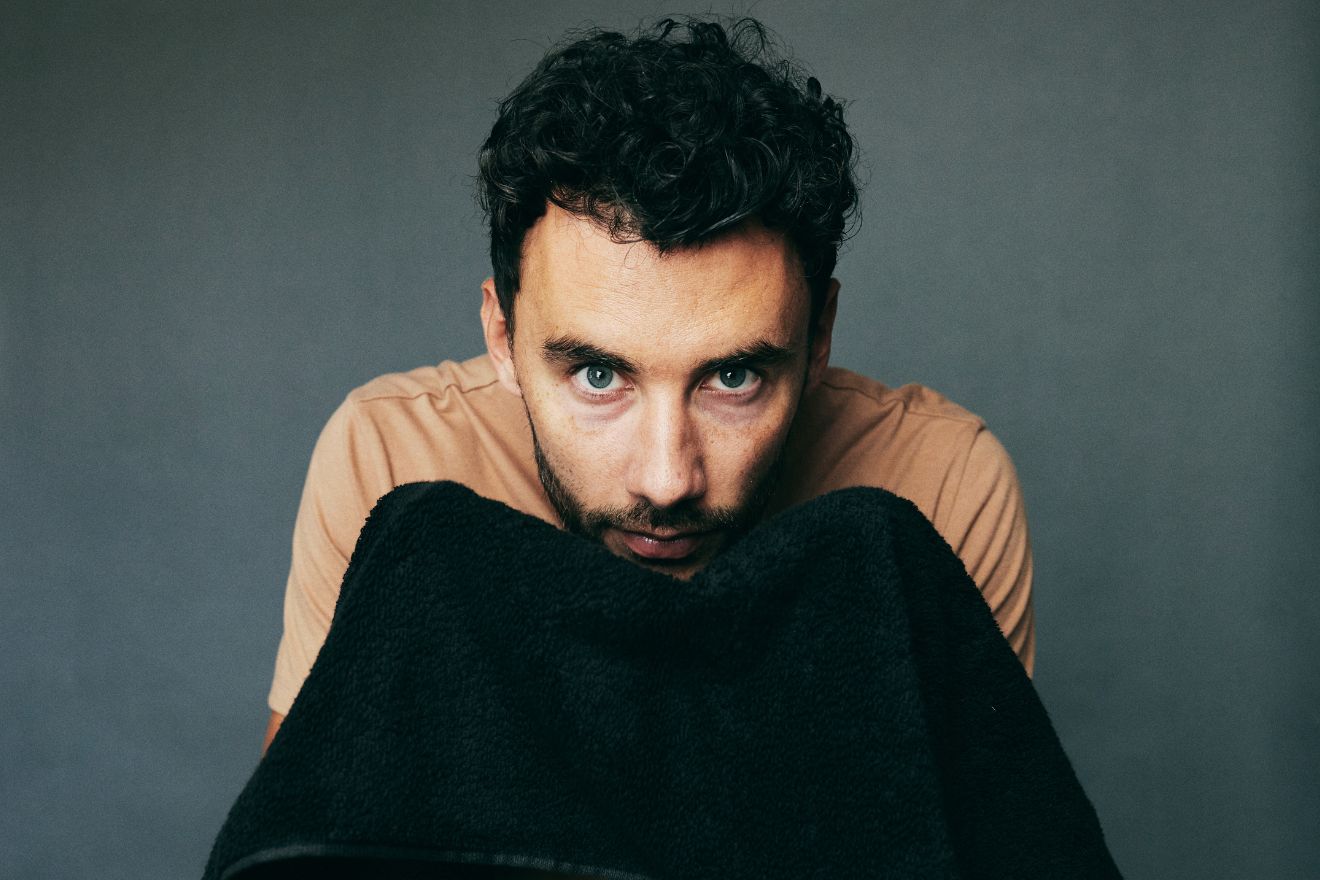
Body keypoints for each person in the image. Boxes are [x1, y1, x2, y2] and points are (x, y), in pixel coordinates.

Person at [262, 17, 1035, 752]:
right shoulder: (393, 458)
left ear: (819, 338)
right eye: (599, 376)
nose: (667, 482)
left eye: (734, 377)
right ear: (501, 336)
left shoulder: (939, 487)